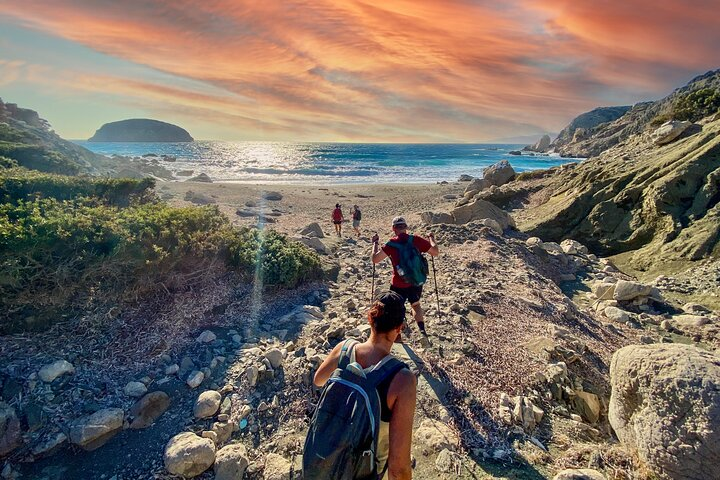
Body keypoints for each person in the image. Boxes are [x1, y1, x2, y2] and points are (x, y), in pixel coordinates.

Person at [312, 291, 417, 480]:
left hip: (328, 458)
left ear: (370, 318)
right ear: (399, 328)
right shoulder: (402, 379)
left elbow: (318, 380)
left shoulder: (344, 349)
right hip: (367, 470)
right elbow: (398, 468)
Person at [371, 216, 438, 341]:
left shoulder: (392, 244)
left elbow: (375, 259)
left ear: (393, 228)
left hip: (398, 283)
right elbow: (435, 252)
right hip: (415, 281)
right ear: (406, 228)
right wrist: (432, 239)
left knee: (397, 308)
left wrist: (375, 243)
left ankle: (398, 336)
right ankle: (422, 331)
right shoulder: (416, 240)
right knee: (416, 305)